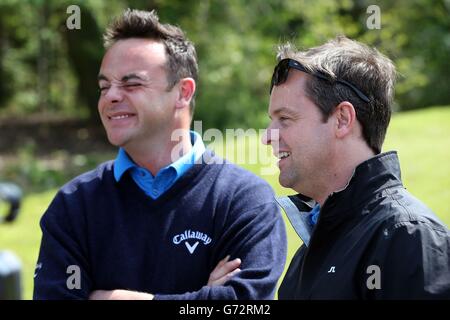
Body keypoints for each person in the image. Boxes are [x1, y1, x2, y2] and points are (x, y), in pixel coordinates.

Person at [33, 9, 287, 300]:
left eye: (131, 84)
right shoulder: (73, 205)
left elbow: (245, 304)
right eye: (104, 86)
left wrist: (116, 298)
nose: (111, 97)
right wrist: (202, 299)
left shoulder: (244, 201)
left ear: (183, 93)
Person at [262, 36, 450, 299]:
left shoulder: (407, 237)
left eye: (285, 119)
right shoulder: (312, 249)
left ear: (342, 119)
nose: (267, 136)